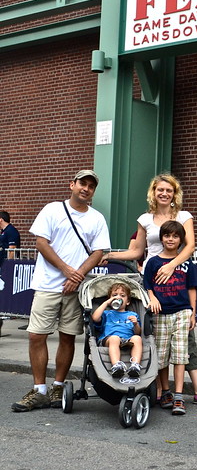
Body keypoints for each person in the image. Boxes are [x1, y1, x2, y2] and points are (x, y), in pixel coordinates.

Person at [105, 173, 197, 406]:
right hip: (151, 284)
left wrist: (172, 265)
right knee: (153, 335)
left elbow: (190, 245)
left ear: (174, 194)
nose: (164, 193)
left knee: (184, 337)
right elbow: (136, 251)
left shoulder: (183, 216)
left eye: (169, 190)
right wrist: (107, 255)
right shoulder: (145, 219)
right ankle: (161, 388)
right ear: (153, 192)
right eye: (160, 189)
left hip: (177, 278)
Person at [12, 170, 111, 412]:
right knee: (37, 335)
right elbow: (41, 243)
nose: (86, 189)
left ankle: (57, 387)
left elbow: (98, 252)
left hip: (76, 287)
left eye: (90, 186)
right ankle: (39, 390)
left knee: (67, 336)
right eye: (82, 184)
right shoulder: (52, 209)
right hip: (48, 283)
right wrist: (67, 270)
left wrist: (77, 277)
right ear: (72, 185)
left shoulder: (97, 218)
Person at [144, 220, 197, 416]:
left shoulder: (185, 262)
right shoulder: (154, 262)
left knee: (180, 354)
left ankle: (179, 395)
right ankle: (165, 391)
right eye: (167, 235)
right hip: (161, 313)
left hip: (182, 311)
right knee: (162, 355)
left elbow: (192, 288)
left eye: (175, 236)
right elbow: (147, 284)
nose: (171, 239)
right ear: (162, 238)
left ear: (181, 239)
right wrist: (152, 297)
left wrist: (193, 312)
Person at [91, 281, 143, 378]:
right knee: (115, 338)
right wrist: (107, 303)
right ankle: (116, 365)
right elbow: (95, 318)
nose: (118, 297)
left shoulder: (132, 315)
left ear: (127, 301)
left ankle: (135, 365)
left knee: (137, 338)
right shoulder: (107, 313)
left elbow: (138, 333)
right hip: (109, 338)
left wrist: (135, 324)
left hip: (128, 339)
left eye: (122, 295)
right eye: (114, 295)